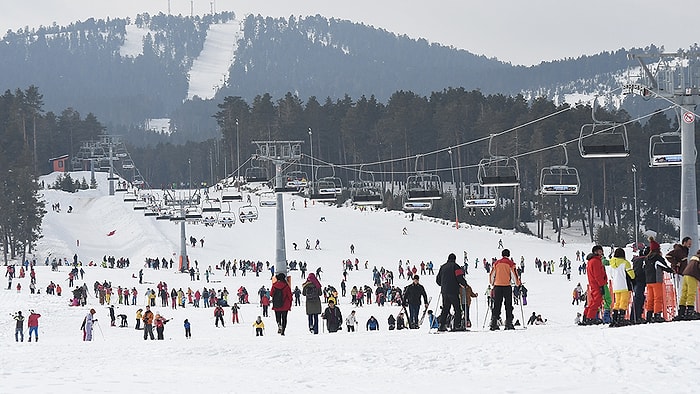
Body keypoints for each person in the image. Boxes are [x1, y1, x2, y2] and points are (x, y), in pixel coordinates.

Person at [489, 249, 521, 331]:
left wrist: (492, 283)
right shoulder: (510, 263)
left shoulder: (496, 263)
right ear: (508, 255)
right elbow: (514, 274)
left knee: (497, 305)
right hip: (507, 286)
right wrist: (517, 283)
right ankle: (509, 323)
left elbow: (492, 274)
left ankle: (494, 323)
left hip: (497, 286)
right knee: (508, 305)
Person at [436, 253, 468, 331]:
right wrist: (464, 284)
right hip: (453, 291)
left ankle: (442, 325)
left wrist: (443, 285)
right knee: (457, 309)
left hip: (444, 291)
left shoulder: (442, 267)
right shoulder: (456, 266)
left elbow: (438, 280)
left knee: (445, 308)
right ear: (455, 259)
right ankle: (457, 325)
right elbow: (459, 277)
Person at [644, 241, 673, 323]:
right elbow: (664, 266)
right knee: (658, 298)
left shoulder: (646, 258)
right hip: (656, 280)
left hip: (648, 281)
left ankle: (649, 316)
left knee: (650, 298)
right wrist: (671, 270)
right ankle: (657, 315)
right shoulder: (657, 257)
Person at [609, 248, 635, 327]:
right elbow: (632, 275)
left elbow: (611, 275)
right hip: (624, 285)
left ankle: (614, 319)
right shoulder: (625, 263)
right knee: (623, 302)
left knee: (617, 302)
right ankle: (621, 318)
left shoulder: (612, 264)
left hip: (616, 286)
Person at [582, 245, 607, 325]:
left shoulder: (591, 261)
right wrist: (602, 284)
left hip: (593, 284)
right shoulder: (596, 261)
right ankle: (590, 317)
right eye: (600, 251)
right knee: (597, 301)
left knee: (593, 301)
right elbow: (598, 275)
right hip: (597, 284)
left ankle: (586, 316)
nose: (602, 253)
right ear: (596, 252)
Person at [676, 250, 700, 320]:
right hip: (692, 275)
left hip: (685, 275)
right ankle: (690, 311)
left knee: (684, 293)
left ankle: (681, 312)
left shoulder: (694, 257)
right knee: (691, 293)